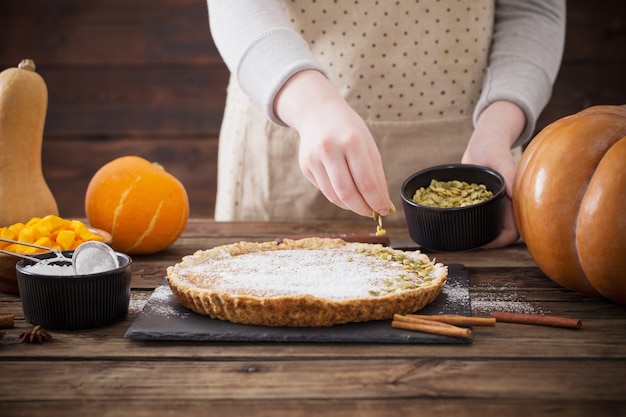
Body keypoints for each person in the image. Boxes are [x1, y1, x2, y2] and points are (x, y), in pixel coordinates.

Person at [206, 0, 566, 247]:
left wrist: (497, 129)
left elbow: (531, 9)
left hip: (475, 146)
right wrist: (314, 109)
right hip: (289, 139)